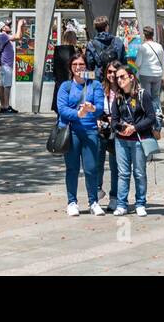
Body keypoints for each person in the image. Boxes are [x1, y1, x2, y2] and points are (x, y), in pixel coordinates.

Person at [56, 50, 106, 216]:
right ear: (71, 67)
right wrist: (77, 114)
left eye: (82, 64)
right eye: (75, 64)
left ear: (86, 66)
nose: (78, 67)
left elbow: (99, 107)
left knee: (92, 168)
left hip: (90, 130)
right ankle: (72, 202)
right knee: (72, 168)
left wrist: (92, 109)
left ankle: (94, 202)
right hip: (71, 131)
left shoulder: (95, 84)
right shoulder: (66, 86)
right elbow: (61, 109)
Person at [111, 65, 157, 216]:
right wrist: (120, 127)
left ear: (131, 77)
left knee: (139, 173)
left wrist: (135, 127)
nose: (119, 80)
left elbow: (151, 118)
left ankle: (140, 203)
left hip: (138, 139)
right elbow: (114, 120)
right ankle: (122, 204)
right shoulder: (118, 97)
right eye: (117, 78)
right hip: (121, 141)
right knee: (123, 173)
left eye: (122, 76)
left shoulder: (143, 95)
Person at [95, 59, 123, 207]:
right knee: (98, 164)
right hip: (102, 129)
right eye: (109, 72)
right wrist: (98, 119)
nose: (112, 75)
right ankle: (97, 191)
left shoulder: (123, 90)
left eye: (114, 72)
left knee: (115, 166)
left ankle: (114, 197)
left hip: (117, 130)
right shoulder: (100, 88)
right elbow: (95, 107)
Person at [136, 25, 164, 133]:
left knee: (146, 98)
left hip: (145, 74)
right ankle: (158, 115)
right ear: (153, 35)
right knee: (155, 97)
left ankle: (149, 119)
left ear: (144, 35)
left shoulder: (142, 47)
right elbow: (163, 61)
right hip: (157, 74)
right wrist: (163, 75)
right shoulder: (159, 46)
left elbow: (138, 63)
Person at [51, 28, 78, 111]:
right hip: (71, 81)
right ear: (73, 39)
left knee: (60, 102)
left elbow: (54, 67)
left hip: (59, 81)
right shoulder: (74, 51)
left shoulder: (57, 50)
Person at [0, 21, 19, 114]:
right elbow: (17, 37)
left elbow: (19, 36)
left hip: (4, 65)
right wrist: (19, 25)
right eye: (7, 25)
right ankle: (6, 107)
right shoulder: (4, 35)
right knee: (7, 86)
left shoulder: (2, 36)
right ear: (3, 28)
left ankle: (3, 106)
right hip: (6, 65)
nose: (9, 26)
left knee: (3, 86)